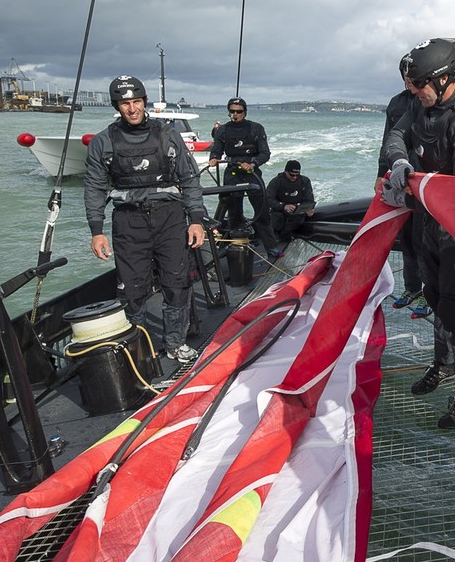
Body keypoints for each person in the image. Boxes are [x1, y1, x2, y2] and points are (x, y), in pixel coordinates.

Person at [382, 38, 455, 429]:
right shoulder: (420, 102)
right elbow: (397, 134)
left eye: (418, 85)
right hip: (427, 218)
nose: (412, 92)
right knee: (433, 296)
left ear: (445, 78)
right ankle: (444, 363)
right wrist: (399, 161)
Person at [84, 75, 207, 364]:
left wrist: (196, 219)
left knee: (177, 283)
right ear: (117, 105)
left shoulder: (167, 135)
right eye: (125, 103)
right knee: (132, 290)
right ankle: (139, 348)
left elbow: (190, 179)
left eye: (136, 102)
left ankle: (175, 343)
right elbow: (94, 188)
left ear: (144, 102)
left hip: (170, 219)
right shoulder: (103, 141)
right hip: (129, 222)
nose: (132, 109)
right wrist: (96, 231)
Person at [375, 69, 430, 318]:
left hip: (422, 181)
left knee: (424, 239)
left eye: (413, 78)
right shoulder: (397, 103)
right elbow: (389, 138)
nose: (410, 83)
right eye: (406, 78)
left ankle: (429, 294)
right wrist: (381, 172)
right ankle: (411, 288)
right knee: (406, 238)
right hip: (399, 177)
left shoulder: (427, 99)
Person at [207, 97, 282, 259]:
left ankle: (271, 247)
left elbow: (265, 154)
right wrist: (213, 158)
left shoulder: (256, 129)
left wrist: (253, 164)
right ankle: (235, 246)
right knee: (233, 210)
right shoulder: (222, 130)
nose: (235, 114)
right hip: (232, 172)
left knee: (262, 211)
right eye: (232, 111)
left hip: (251, 173)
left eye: (239, 111)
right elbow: (217, 150)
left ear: (245, 112)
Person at [265, 159, 316, 241]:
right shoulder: (276, 181)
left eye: (297, 175)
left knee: (298, 219)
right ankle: (278, 237)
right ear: (285, 171)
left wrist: (309, 208)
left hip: (298, 209)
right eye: (292, 175)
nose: (294, 177)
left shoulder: (304, 181)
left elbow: (309, 199)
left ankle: (286, 236)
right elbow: (268, 199)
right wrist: (283, 206)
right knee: (275, 220)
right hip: (280, 209)